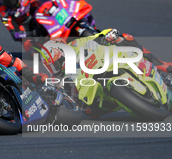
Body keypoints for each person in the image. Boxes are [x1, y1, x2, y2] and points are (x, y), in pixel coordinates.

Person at [40, 28, 172, 116]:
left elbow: (95, 37)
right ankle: (134, 98)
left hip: (104, 63)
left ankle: (158, 66)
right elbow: (63, 97)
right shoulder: (57, 78)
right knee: (89, 112)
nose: (55, 68)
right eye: (51, 66)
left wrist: (108, 35)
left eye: (56, 62)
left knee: (125, 39)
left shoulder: (76, 44)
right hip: (97, 95)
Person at [0, 0, 74, 45]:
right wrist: (32, 34)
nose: (9, 3)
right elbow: (15, 35)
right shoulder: (3, 12)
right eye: (5, 1)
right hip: (25, 26)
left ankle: (67, 18)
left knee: (46, 0)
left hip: (36, 13)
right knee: (31, 50)